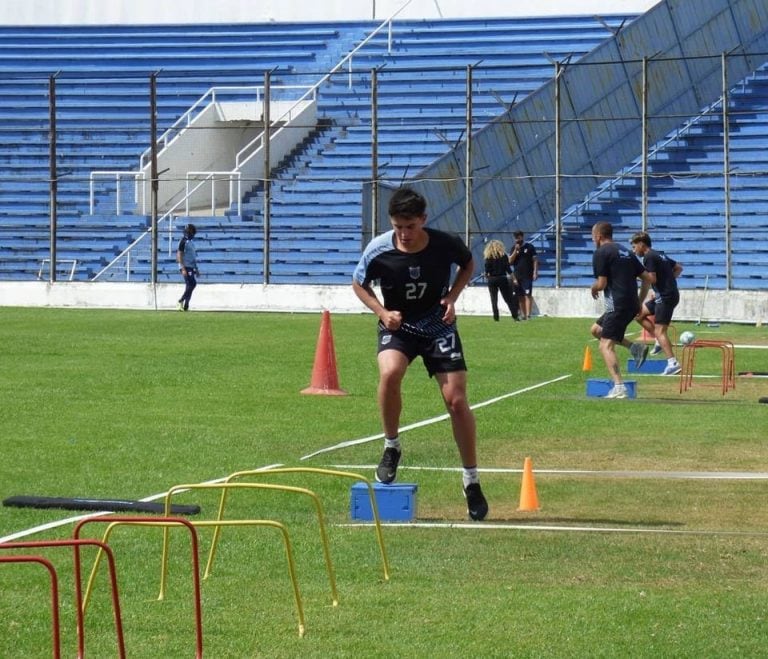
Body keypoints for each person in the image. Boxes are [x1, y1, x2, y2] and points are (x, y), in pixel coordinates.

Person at [352, 186, 488, 521]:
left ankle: (471, 480)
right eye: (398, 226)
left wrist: (452, 297)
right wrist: (382, 313)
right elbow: (358, 283)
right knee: (389, 373)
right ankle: (391, 446)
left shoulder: (444, 243)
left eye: (410, 226)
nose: (404, 234)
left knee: (456, 400)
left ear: (423, 220)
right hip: (398, 325)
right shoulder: (379, 249)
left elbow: (469, 264)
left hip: (438, 325)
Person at [590, 221, 652, 399]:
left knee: (605, 345)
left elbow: (601, 284)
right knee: (596, 330)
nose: (593, 239)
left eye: (593, 236)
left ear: (599, 236)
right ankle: (635, 348)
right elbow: (647, 279)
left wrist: (593, 288)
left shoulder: (601, 253)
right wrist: (639, 303)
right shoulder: (626, 251)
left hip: (617, 304)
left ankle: (619, 387)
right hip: (629, 303)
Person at [630, 231, 683, 375]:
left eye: (634, 247)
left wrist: (635, 275)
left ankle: (673, 363)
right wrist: (667, 282)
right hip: (666, 294)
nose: (634, 251)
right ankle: (659, 341)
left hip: (665, 297)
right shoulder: (659, 254)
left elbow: (651, 279)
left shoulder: (649, 257)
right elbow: (678, 267)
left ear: (642, 244)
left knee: (661, 331)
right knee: (638, 314)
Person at [483, 239, 519, 321]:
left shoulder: (488, 257)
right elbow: (508, 269)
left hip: (492, 279)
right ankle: (515, 316)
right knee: (508, 299)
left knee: (494, 300)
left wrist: (488, 276)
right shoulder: (504, 256)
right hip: (502, 278)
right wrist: (514, 279)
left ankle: (496, 318)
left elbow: (487, 271)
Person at [509, 230, 538, 320]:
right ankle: (523, 315)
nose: (517, 239)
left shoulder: (529, 247)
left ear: (522, 237)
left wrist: (535, 272)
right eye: (516, 237)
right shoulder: (514, 248)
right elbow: (510, 262)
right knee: (520, 296)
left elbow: (535, 260)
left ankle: (529, 315)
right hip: (517, 275)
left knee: (527, 295)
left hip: (527, 275)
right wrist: (515, 251)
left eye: (518, 237)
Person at [176, 223, 199, 311]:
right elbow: (179, 254)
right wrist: (182, 267)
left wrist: (196, 268)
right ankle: (180, 300)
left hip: (191, 266)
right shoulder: (183, 241)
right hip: (185, 266)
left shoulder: (191, 243)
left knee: (189, 285)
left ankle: (186, 305)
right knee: (192, 284)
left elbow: (193, 256)